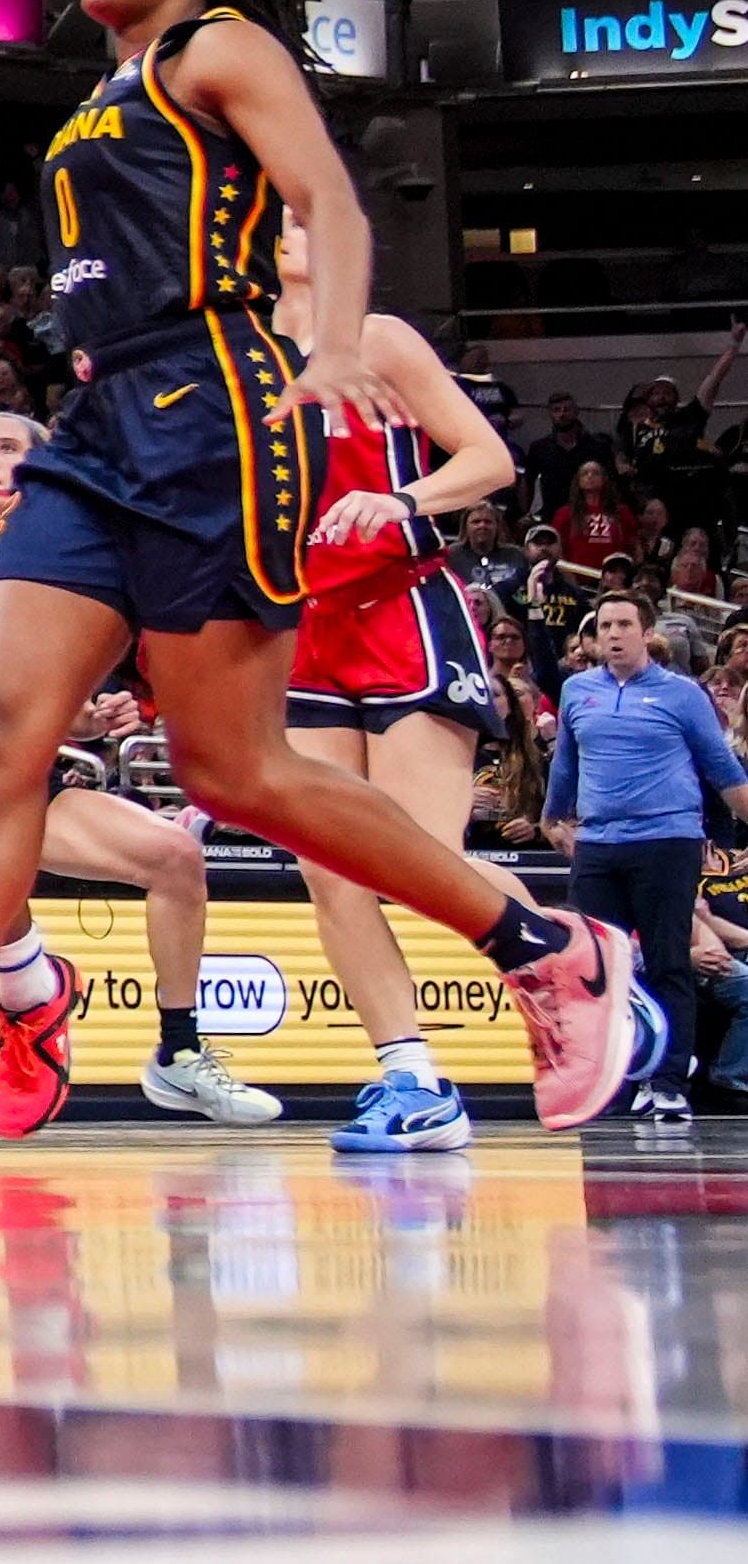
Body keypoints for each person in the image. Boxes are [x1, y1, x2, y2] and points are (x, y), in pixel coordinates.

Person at [0, 0, 654, 1170]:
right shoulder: (106, 92)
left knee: (235, 773)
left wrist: (337, 346)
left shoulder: (215, 46)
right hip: (101, 425)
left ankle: (550, 947)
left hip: (215, 411)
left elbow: (330, 205)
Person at [0, 412, 283, 1129]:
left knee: (177, 857)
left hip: (35, 780)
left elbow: (55, 698)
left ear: (46, 475)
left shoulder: (63, 569)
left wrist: (91, 717)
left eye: (9, 448)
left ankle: (178, 1054)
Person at [266, 221, 524, 1153]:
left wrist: (405, 498)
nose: (286, 229)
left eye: (301, 216)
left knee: (422, 862)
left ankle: (585, 961)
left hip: (404, 608)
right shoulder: (236, 360)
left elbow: (490, 459)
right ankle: (411, 1078)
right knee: (329, 870)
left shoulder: (376, 340)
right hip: (298, 626)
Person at [548, 589, 748, 1127]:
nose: (612, 634)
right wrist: (552, 819)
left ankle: (668, 1083)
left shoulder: (682, 695)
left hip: (667, 843)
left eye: (622, 625)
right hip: (598, 846)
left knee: (667, 963)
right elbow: (566, 761)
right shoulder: (575, 691)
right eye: (604, 625)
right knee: (596, 970)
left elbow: (722, 769)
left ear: (646, 633)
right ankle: (610, 1081)